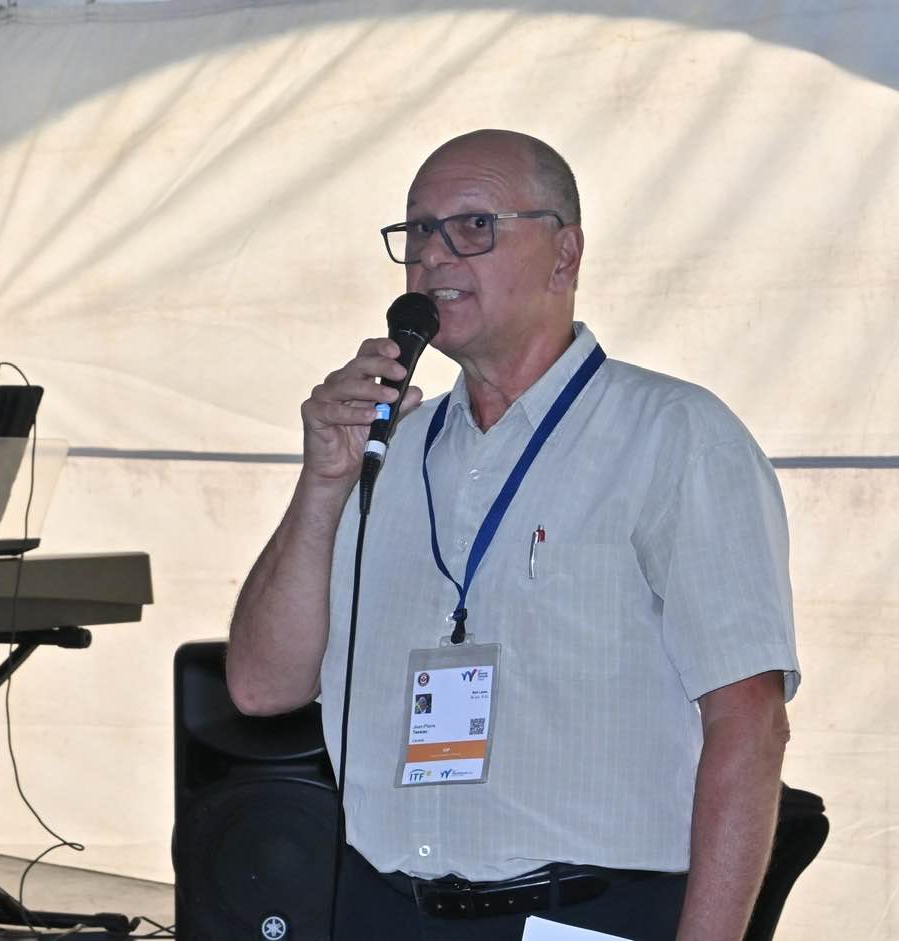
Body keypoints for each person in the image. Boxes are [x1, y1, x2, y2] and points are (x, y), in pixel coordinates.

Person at [227, 129, 800, 941]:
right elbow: (259, 685)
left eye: (473, 226)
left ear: (564, 253)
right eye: (417, 231)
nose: (433, 255)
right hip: (382, 906)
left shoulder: (675, 438)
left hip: (584, 914)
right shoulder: (388, 453)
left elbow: (749, 723)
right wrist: (323, 483)